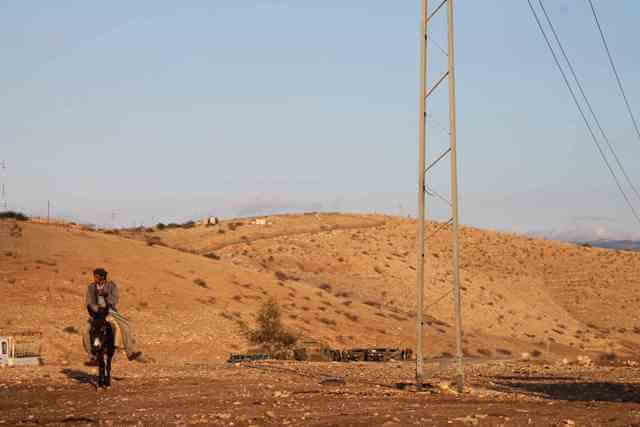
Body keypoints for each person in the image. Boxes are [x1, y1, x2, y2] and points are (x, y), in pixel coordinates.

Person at [83, 268, 144, 365]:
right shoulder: (91, 287)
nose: (95, 278)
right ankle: (92, 356)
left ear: (102, 277)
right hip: (96, 313)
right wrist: (96, 309)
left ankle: (130, 352)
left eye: (96, 276)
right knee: (85, 331)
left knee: (125, 326)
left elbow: (114, 298)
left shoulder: (111, 286)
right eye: (94, 276)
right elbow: (89, 301)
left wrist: (106, 300)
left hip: (109, 311)